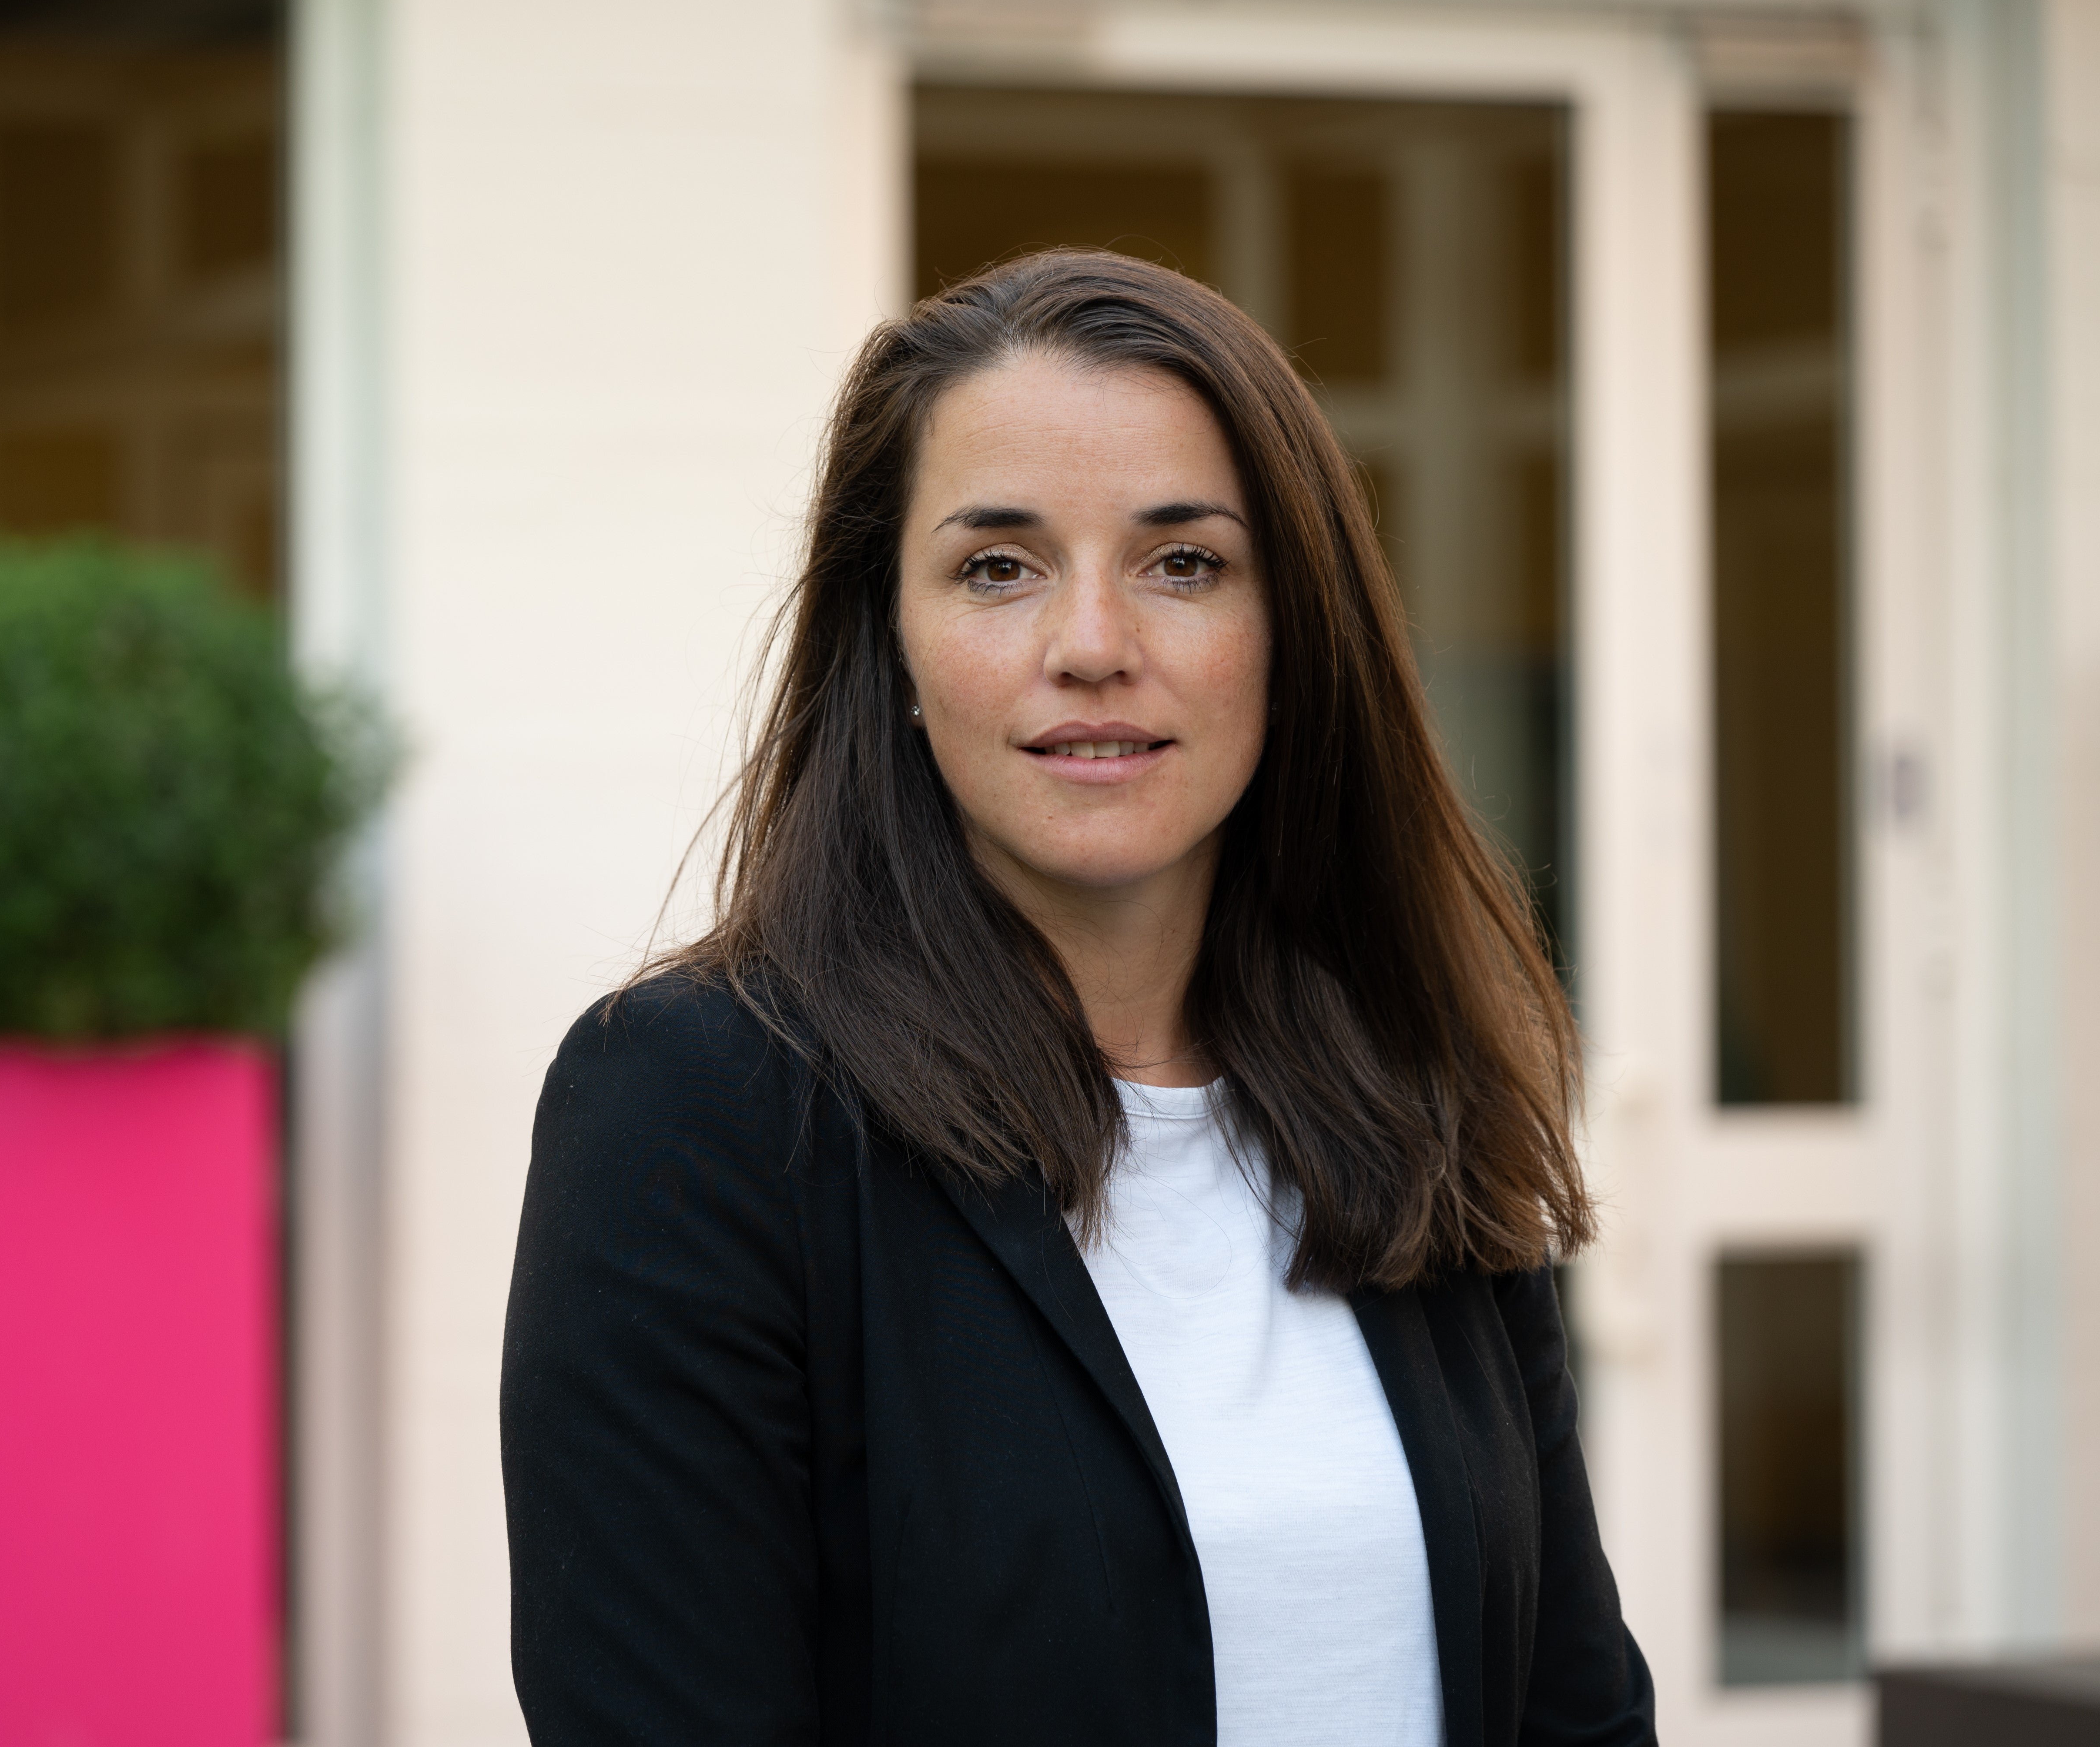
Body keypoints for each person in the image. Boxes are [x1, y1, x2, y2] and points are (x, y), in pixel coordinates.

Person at [500, 249, 1655, 1747]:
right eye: (999, 567)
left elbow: (1574, 1710)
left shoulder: (1407, 1092)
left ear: (1295, 636)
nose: (1094, 646)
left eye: (1185, 564)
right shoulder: (699, 1114)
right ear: (891, 645)